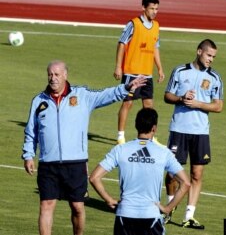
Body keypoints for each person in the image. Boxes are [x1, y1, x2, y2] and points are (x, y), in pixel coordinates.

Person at [21, 60, 147, 235]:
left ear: (65, 75)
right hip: (48, 163)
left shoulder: (82, 95)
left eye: (57, 74)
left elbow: (106, 95)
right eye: (50, 74)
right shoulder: (39, 101)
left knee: (77, 206)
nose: (53, 78)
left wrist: (126, 88)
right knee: (46, 205)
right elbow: (31, 131)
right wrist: (28, 155)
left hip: (76, 163)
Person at [89, 108, 190, 235]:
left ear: (136, 125)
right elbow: (186, 183)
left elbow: (94, 177)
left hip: (124, 215)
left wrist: (108, 199)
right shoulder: (164, 153)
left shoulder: (120, 150)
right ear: (154, 128)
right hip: (151, 216)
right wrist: (168, 208)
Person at [163, 39, 224, 229]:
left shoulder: (215, 78)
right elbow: (167, 96)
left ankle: (189, 216)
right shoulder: (180, 71)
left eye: (213, 57)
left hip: (200, 132)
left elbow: (218, 106)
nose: (211, 60)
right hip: (179, 129)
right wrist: (181, 99)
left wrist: (198, 104)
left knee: (197, 174)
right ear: (199, 52)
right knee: (172, 173)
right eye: (208, 55)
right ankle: (170, 206)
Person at [113, 0, 165, 144]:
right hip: (131, 72)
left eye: (156, 9)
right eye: (152, 9)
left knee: (148, 106)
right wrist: (118, 66)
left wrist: (159, 68)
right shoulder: (133, 24)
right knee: (128, 103)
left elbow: (155, 47)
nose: (154, 12)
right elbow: (122, 43)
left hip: (147, 74)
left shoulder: (156, 26)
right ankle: (120, 136)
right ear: (143, 8)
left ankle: (150, 136)